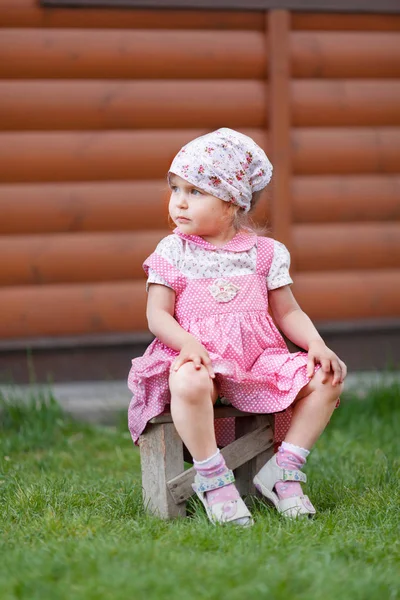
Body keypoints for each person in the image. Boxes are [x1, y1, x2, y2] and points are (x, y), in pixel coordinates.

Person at [128, 128, 347, 527]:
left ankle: (284, 471)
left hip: (258, 360)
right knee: (188, 381)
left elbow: (288, 313)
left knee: (327, 377)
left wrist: (316, 343)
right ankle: (213, 480)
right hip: (202, 359)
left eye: (196, 192)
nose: (179, 201)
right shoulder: (173, 251)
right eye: (175, 188)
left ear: (232, 203)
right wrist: (187, 343)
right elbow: (156, 315)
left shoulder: (265, 253)